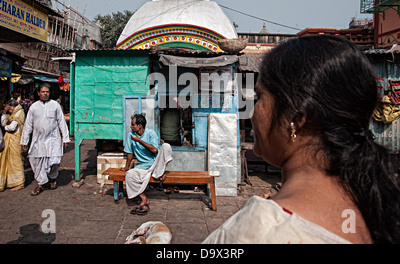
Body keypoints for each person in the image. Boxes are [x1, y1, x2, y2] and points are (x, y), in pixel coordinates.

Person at [203, 35, 400, 244]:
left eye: (259, 97)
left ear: (296, 119)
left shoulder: (261, 229)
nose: (252, 112)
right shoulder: (376, 207)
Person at [20, 83, 70, 196]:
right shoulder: (34, 107)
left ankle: (52, 177)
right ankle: (41, 183)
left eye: (47, 92)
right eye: (43, 92)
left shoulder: (55, 105)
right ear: (38, 93)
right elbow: (28, 125)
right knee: (36, 161)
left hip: (53, 139)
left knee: (54, 160)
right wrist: (24, 141)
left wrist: (65, 138)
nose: (45, 94)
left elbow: (61, 121)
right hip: (38, 140)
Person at [121, 113, 173, 215]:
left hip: (155, 163)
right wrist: (127, 167)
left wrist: (140, 141)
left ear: (140, 125)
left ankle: (161, 172)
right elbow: (130, 152)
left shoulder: (151, 133)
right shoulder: (130, 135)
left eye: (133, 124)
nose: (131, 126)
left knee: (166, 146)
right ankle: (144, 198)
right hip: (143, 166)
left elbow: (154, 150)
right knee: (129, 175)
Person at [0, 99, 26, 191]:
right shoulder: (13, 113)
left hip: (15, 140)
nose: (9, 110)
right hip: (10, 139)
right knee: (8, 160)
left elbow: (12, 127)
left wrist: (5, 127)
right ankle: (10, 181)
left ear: (13, 107)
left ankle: (19, 182)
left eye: (9, 108)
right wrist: (4, 113)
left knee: (15, 161)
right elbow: (3, 121)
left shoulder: (19, 113)